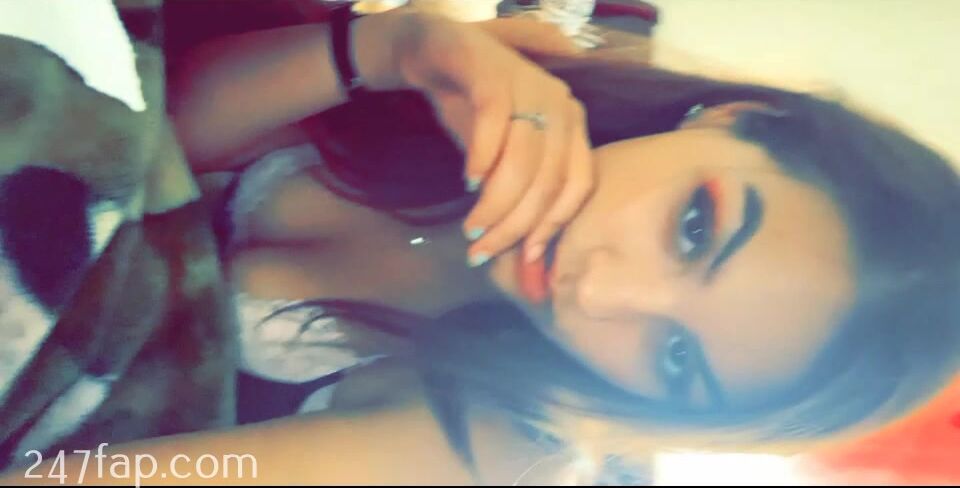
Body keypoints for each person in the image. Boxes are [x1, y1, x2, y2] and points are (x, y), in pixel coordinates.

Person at [8, 2, 960, 485]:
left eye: (676, 358)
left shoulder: (495, 438)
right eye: (693, 227)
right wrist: (394, 48)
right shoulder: (519, 88)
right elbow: (146, 125)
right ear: (734, 118)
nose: (600, 291)